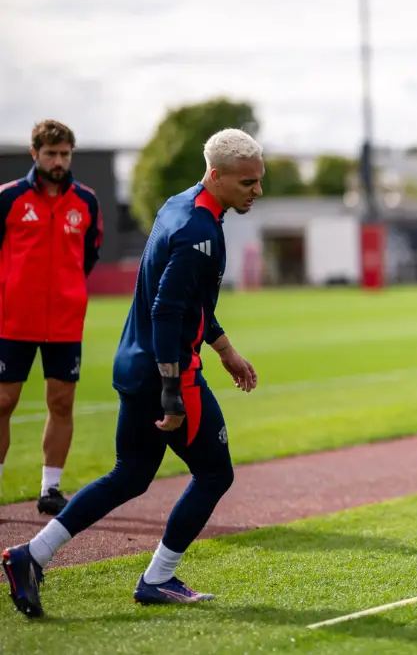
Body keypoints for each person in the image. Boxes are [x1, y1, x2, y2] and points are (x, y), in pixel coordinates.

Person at [3, 129, 263, 618]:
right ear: (217, 176)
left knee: (131, 475)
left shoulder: (180, 205)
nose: (257, 191)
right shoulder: (200, 233)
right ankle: (158, 577)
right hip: (166, 373)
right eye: (248, 182)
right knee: (214, 472)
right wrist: (171, 390)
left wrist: (225, 350)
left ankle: (29, 555)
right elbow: (168, 311)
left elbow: (188, 305)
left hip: (136, 361)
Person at [0, 120, 102, 515]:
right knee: (4, 402)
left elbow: (89, 255)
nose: (58, 161)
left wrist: (68, 289)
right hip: (13, 321)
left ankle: (50, 489)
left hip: (64, 322)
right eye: (51, 153)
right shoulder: (9, 198)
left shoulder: (87, 202)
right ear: (34, 154)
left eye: (64, 154)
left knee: (61, 403)